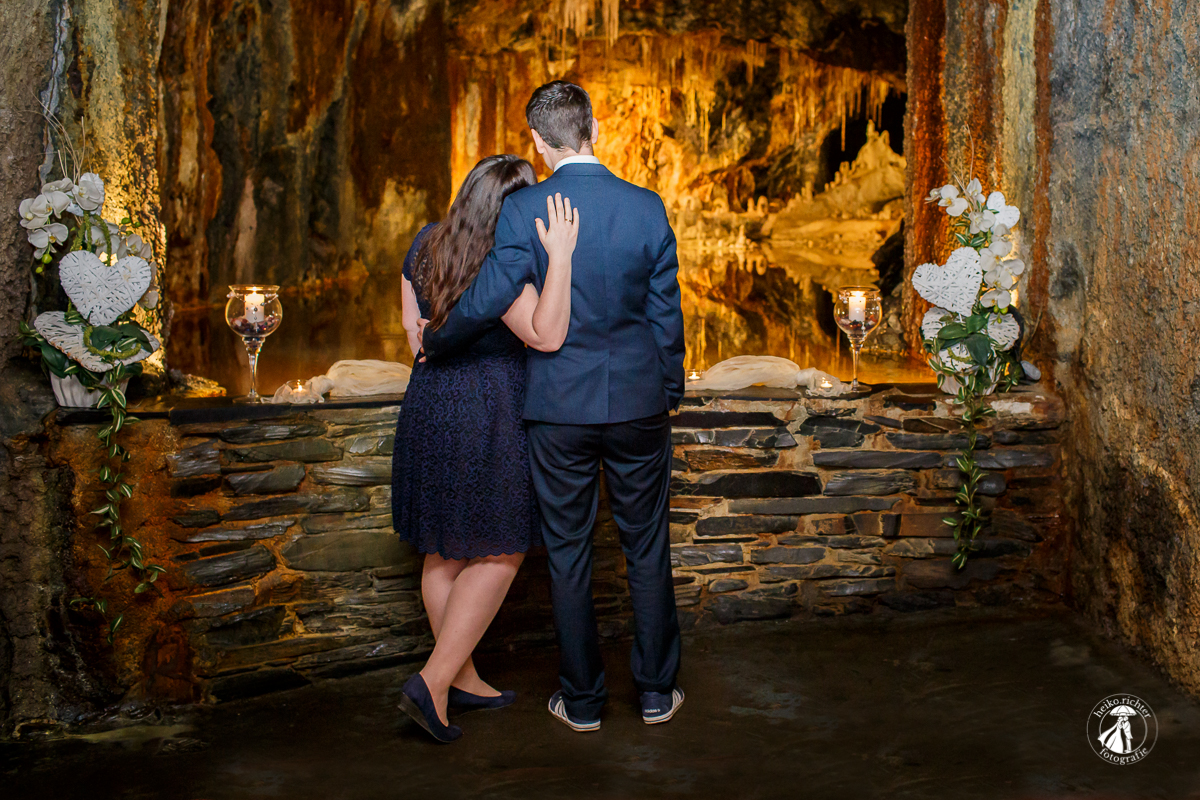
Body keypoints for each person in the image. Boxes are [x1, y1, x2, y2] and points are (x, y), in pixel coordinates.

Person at [421, 81, 686, 732]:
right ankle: (656, 695)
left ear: (537, 143)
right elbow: (666, 318)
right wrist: (668, 390)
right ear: (594, 126)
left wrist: (437, 337)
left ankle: (583, 703)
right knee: (646, 549)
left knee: (569, 555)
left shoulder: (526, 209)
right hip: (637, 405)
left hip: (558, 410)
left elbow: (485, 299)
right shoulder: (647, 207)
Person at [393, 154, 580, 743]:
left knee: (444, 550)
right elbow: (546, 335)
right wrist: (561, 259)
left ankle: (464, 677)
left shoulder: (425, 244)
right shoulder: (499, 265)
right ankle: (434, 680)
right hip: (489, 408)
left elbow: (414, 334)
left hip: (428, 405)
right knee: (500, 548)